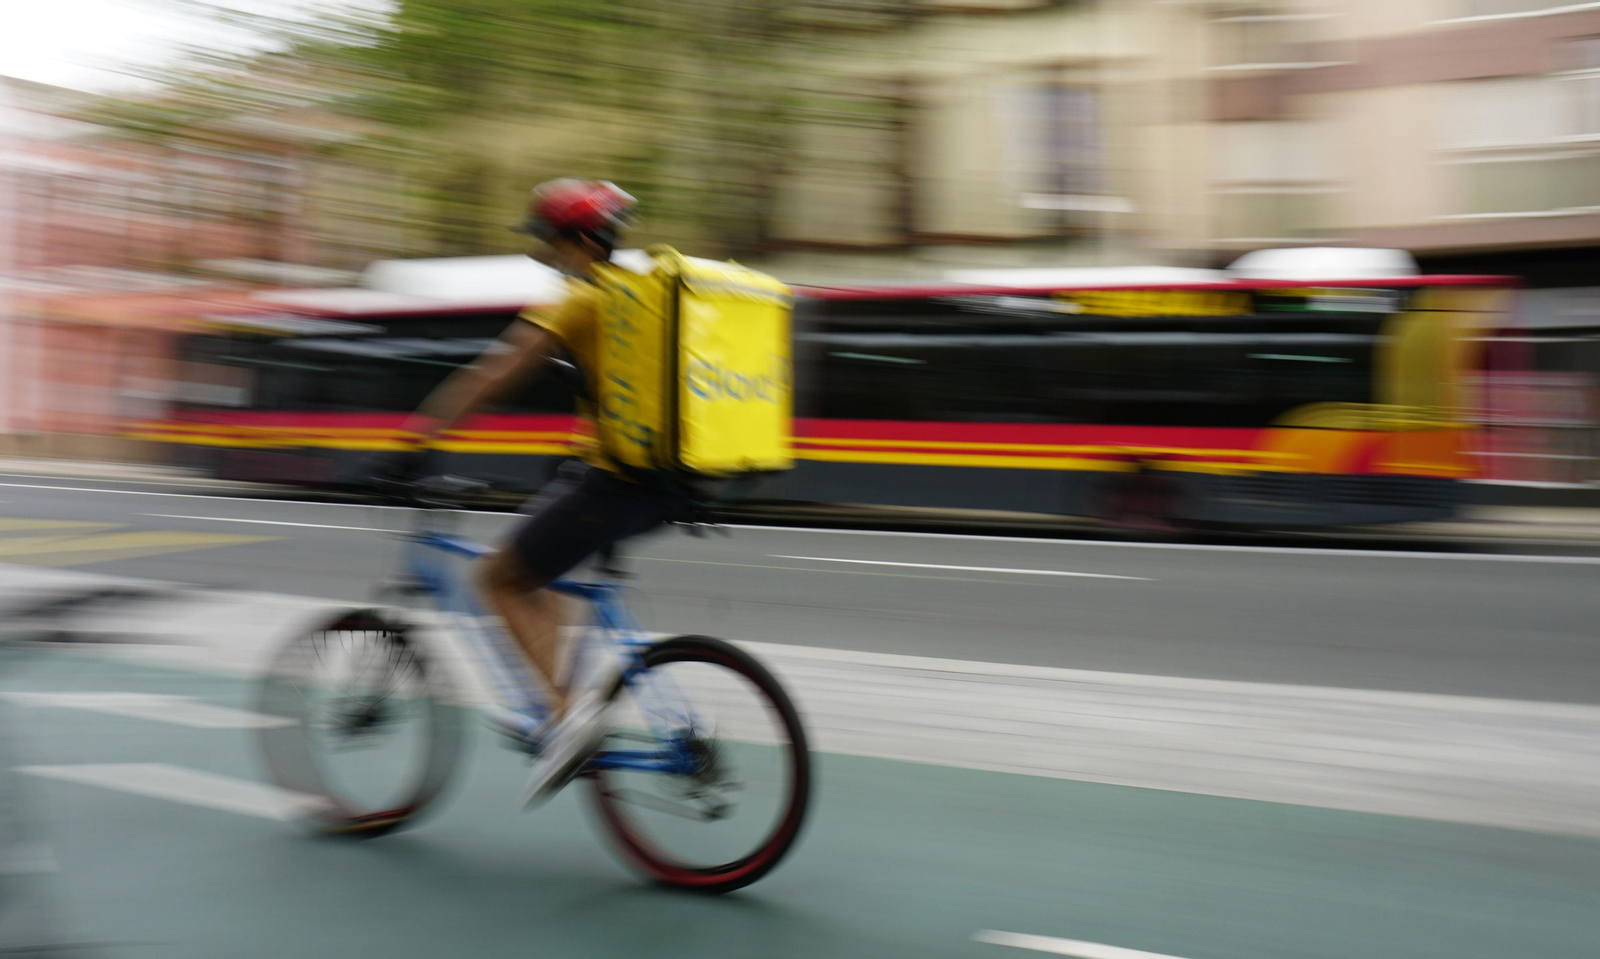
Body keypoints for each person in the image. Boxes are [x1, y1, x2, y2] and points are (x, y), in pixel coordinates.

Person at [392, 178, 679, 805]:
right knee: (542, 570)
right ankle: (561, 704)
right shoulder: (641, 298)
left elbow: (495, 374)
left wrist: (417, 437)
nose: (540, 253)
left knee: (497, 579)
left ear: (577, 241)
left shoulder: (580, 300)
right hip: (662, 482)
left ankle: (563, 720)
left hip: (615, 483)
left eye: (547, 240)